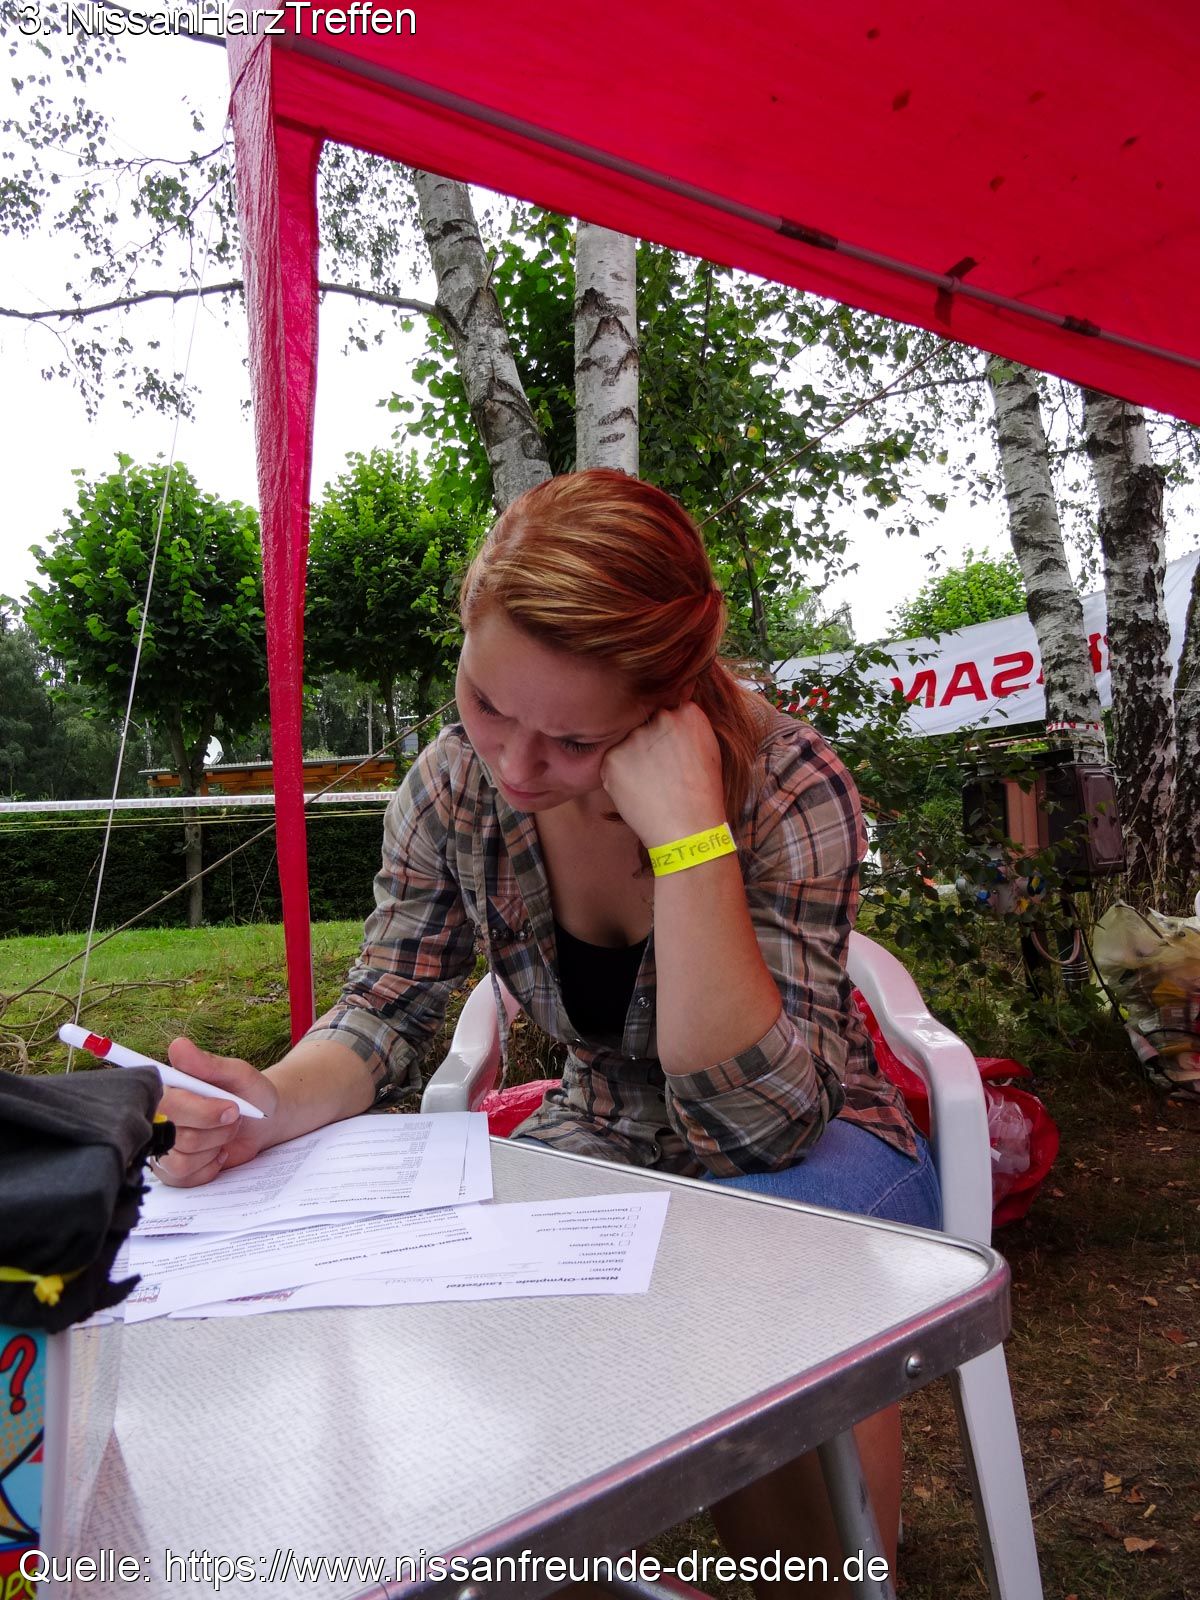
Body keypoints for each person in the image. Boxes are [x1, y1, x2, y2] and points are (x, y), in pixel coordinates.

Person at [155, 469, 937, 1598]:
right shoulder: (454, 786)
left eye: (572, 740)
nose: (514, 768)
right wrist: (271, 1102)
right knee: (461, 1317)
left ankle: (818, 1582)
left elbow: (760, 1131)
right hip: (604, 1135)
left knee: (750, 1300)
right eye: (485, 702)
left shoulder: (784, 782)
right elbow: (386, 1004)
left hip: (825, 1148)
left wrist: (691, 841)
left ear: (667, 705)